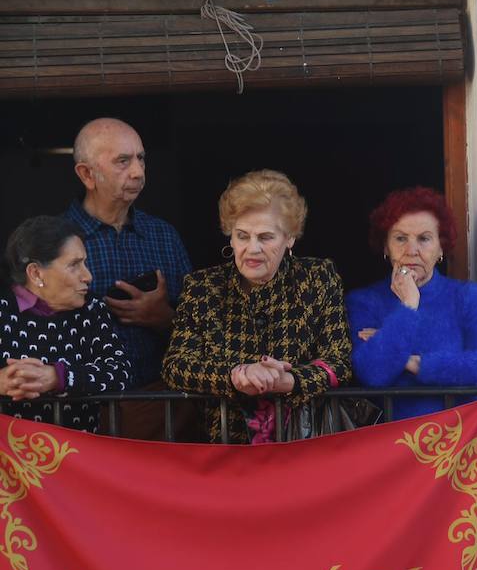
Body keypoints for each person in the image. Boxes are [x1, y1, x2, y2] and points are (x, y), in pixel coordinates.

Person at [163, 169, 352, 443]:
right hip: (226, 446)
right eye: (242, 236)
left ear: (289, 239)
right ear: (230, 235)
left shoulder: (317, 278)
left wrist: (291, 381)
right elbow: (175, 366)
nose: (252, 249)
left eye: (265, 237)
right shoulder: (203, 287)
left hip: (303, 445)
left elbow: (339, 361)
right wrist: (237, 376)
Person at [65, 117, 193, 438]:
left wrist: (164, 318)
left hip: (164, 413)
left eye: (141, 158)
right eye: (123, 161)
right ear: (86, 174)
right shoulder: (57, 241)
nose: (138, 172)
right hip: (81, 413)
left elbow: (204, 329)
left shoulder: (163, 236)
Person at [346, 186, 477, 420]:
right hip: (388, 446)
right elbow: (372, 372)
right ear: (385, 247)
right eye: (400, 238)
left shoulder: (469, 297)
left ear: (441, 247)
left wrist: (412, 361)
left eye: (424, 239)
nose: (412, 250)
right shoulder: (364, 301)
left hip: (457, 443)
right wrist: (409, 305)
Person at [0, 216, 131, 432]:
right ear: (36, 273)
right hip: (11, 457)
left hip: (79, 457)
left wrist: (58, 377)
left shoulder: (91, 309)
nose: (88, 276)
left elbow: (120, 371)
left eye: (84, 263)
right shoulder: (3, 310)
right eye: (74, 265)